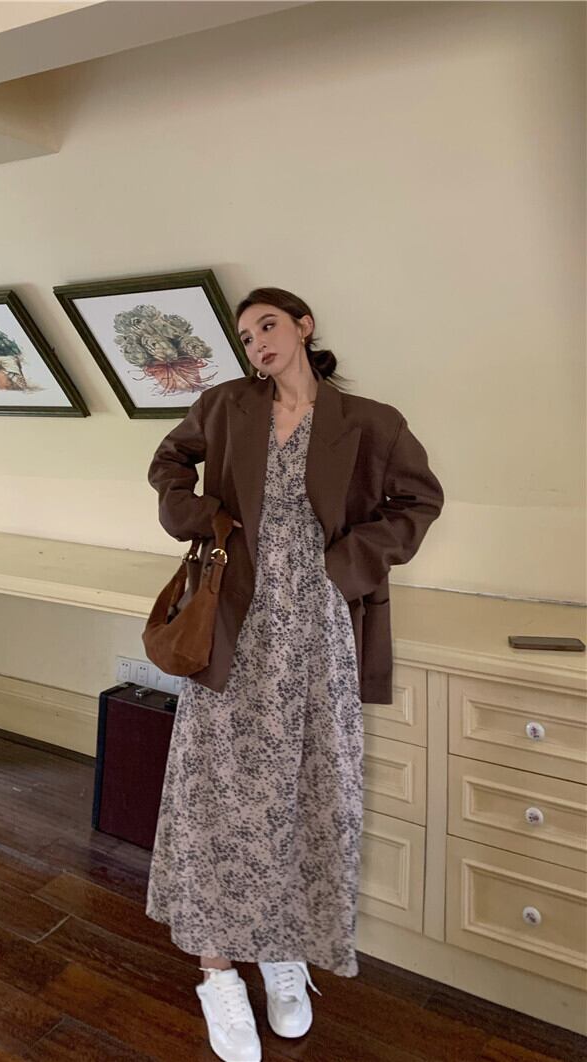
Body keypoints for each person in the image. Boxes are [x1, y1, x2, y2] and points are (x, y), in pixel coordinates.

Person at [144, 286, 444, 1062]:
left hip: (319, 634)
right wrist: (205, 518)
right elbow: (168, 462)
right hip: (232, 626)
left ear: (304, 327)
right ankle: (217, 971)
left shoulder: (370, 422)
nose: (258, 344)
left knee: (309, 792)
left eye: (268, 326)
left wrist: (346, 564)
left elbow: (419, 500)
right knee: (217, 793)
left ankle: (283, 952)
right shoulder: (225, 407)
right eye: (246, 337)